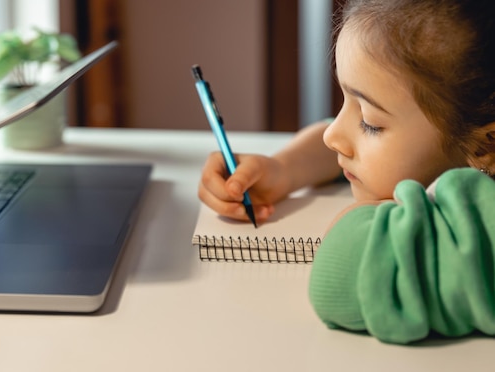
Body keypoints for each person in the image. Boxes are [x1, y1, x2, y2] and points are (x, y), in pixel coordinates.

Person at [198, 0, 495, 344]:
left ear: (484, 145)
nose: (331, 135)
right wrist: (283, 168)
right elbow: (334, 134)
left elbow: (340, 274)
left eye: (369, 123)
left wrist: (367, 217)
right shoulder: (469, 148)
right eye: (343, 101)